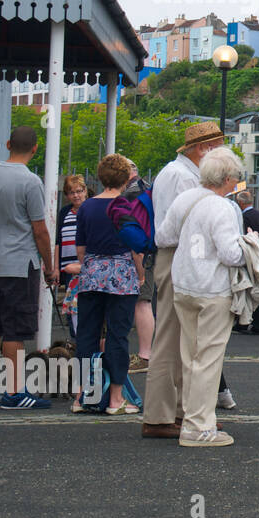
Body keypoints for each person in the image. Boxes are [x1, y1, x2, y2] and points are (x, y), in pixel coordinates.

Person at [155, 147, 247, 447]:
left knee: (191, 356)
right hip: (213, 290)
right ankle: (199, 426)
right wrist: (251, 245)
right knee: (208, 359)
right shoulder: (222, 208)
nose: (236, 184)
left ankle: (190, 420)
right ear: (226, 178)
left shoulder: (185, 199)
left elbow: (162, 238)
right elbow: (231, 255)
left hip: (184, 287)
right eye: (236, 178)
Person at [141, 121, 225, 439]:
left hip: (175, 256)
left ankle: (170, 413)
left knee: (178, 339)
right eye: (218, 148)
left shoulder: (176, 173)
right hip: (178, 257)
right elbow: (189, 223)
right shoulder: (182, 177)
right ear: (203, 149)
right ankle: (160, 416)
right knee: (171, 339)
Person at [73, 154, 145, 415]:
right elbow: (136, 247)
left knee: (86, 335)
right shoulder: (127, 206)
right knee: (118, 336)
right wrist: (140, 274)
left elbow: (80, 248)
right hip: (122, 276)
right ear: (126, 178)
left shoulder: (87, 207)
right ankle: (116, 398)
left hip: (92, 273)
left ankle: (82, 395)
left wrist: (91, 265)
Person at [0, 127, 58, 410]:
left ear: (8, 144)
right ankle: (13, 392)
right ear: (35, 149)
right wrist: (50, 265)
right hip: (19, 265)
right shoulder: (31, 182)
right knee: (14, 331)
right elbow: (40, 230)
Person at [113, 159, 155, 374]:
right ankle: (146, 353)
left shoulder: (130, 194)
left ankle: (145, 355)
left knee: (142, 301)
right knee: (144, 301)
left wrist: (139, 266)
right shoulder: (146, 187)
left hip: (141, 253)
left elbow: (133, 228)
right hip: (150, 251)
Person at [232, 190, 259, 335]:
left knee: (246, 289)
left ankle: (246, 323)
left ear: (241, 202)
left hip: (249, 258)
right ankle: (254, 323)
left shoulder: (244, 217)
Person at [56, 175, 88, 339]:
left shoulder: (89, 210)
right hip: (68, 268)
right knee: (71, 308)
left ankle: (86, 342)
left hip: (85, 267)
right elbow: (58, 241)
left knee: (85, 307)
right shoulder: (64, 213)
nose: (76, 195)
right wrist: (56, 267)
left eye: (79, 191)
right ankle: (75, 341)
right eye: (71, 193)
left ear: (85, 191)